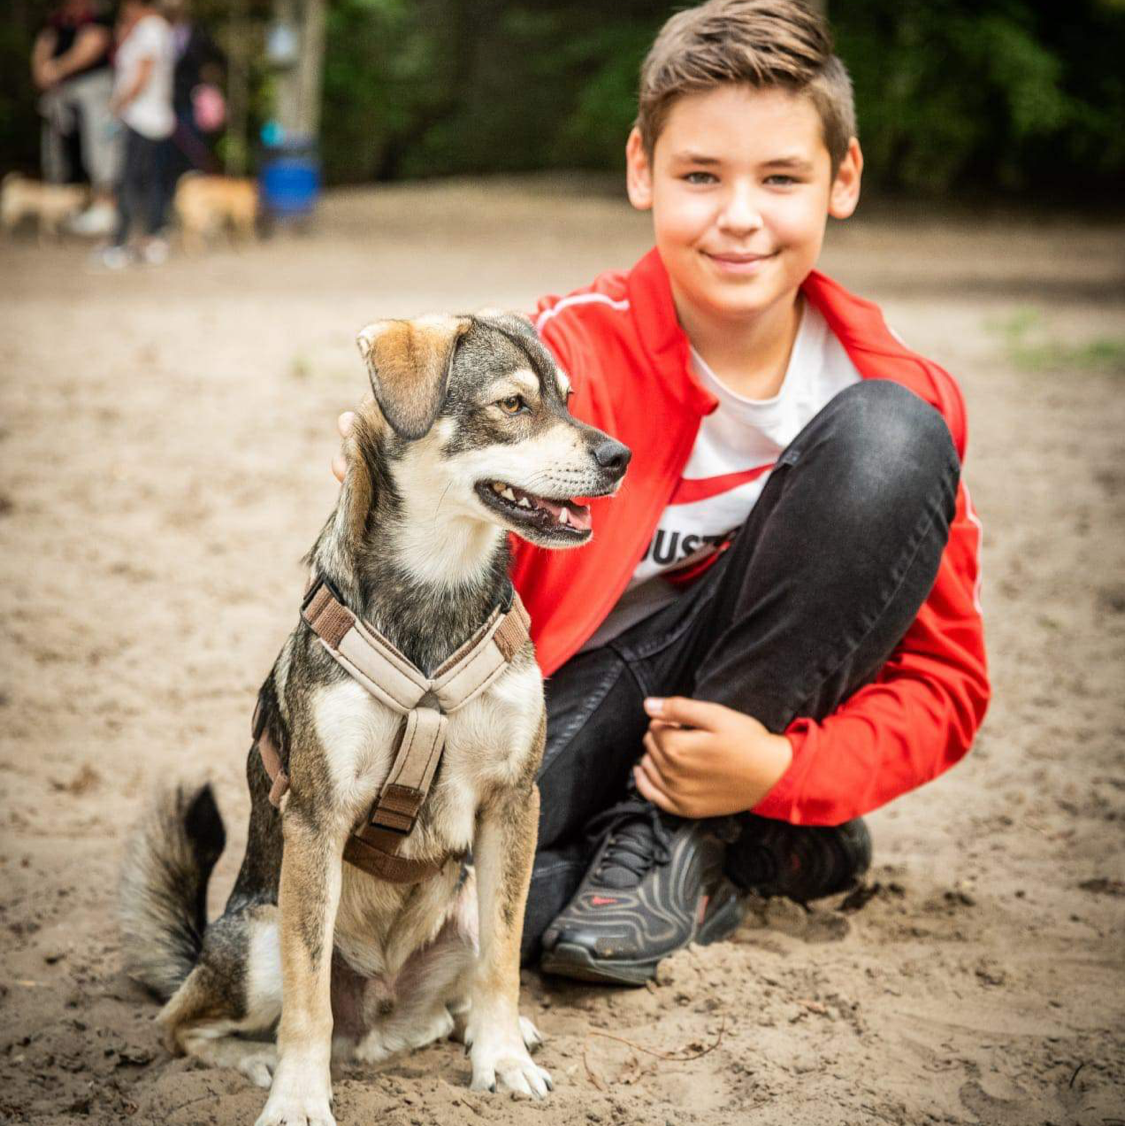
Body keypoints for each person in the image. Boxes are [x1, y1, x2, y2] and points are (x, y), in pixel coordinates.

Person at [333, 0, 989, 985]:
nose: (739, 215)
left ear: (842, 179)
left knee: (890, 439)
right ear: (642, 169)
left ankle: (682, 829)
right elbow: (408, 596)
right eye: (700, 176)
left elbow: (944, 682)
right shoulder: (556, 364)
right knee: (420, 939)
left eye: (780, 178)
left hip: (743, 721)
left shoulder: (901, 389)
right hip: (561, 715)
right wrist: (390, 485)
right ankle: (725, 851)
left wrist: (783, 770)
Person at [31, 0, 120, 236]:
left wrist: (56, 69)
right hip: (60, 96)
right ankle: (63, 208)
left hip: (93, 92)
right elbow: (44, 45)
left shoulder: (97, 20)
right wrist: (42, 71)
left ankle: (104, 206)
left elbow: (93, 44)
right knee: (59, 154)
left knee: (98, 151)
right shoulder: (57, 22)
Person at [100, 0, 176, 268]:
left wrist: (119, 103)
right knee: (148, 181)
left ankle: (122, 242)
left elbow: (143, 73)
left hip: (142, 118)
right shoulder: (154, 28)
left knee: (131, 181)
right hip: (151, 118)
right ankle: (149, 238)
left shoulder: (150, 29)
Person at [162, 0, 225, 186]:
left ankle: (193, 188)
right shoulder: (159, 31)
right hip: (163, 102)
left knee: (192, 150)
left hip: (190, 101)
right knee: (166, 153)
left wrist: (209, 75)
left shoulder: (198, 33)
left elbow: (218, 60)